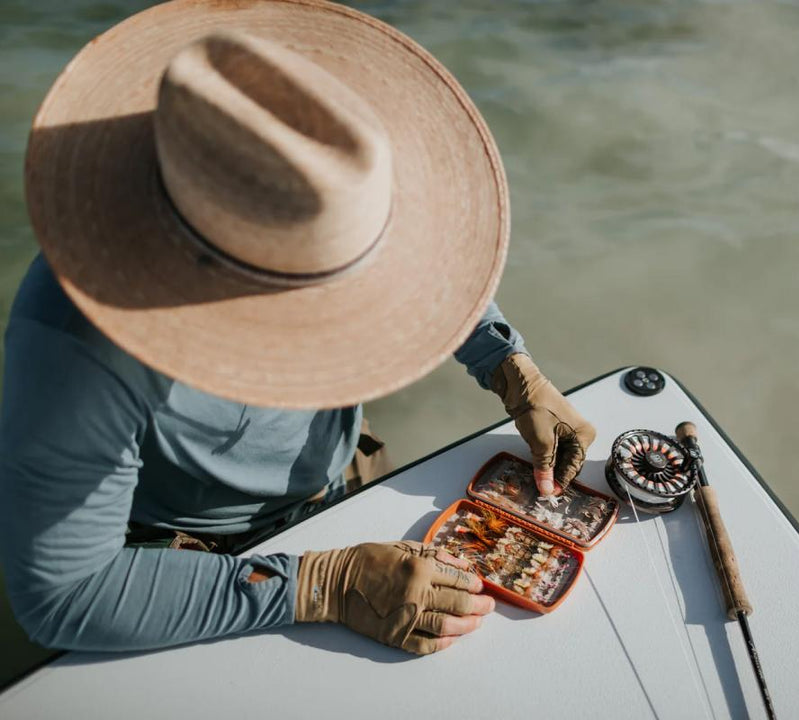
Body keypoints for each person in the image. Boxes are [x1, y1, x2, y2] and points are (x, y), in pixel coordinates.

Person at [0, 1, 595, 656]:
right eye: (319, 284)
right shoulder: (74, 345)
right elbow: (62, 595)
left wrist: (512, 369)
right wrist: (324, 585)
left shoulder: (313, 179)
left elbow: (409, 261)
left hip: (335, 477)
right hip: (188, 554)